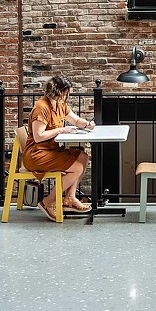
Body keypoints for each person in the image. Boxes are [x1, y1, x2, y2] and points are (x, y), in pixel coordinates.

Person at [24, 75, 96, 222]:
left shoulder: (60, 104)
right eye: (65, 93)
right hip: (37, 154)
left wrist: (87, 124)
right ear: (57, 92)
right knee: (76, 167)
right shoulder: (41, 107)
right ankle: (48, 201)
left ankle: (70, 198)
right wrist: (61, 130)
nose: (67, 96)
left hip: (50, 150)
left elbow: (75, 120)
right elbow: (38, 136)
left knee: (83, 157)